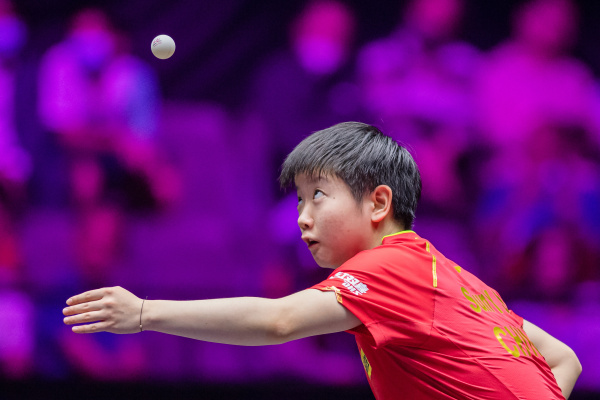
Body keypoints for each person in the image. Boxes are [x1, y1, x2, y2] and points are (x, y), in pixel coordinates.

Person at [63, 122, 581, 399]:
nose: (302, 219)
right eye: (298, 202)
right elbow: (564, 360)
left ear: (378, 203)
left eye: (317, 197)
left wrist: (144, 313)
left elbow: (280, 320)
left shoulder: (388, 267)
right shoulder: (455, 279)